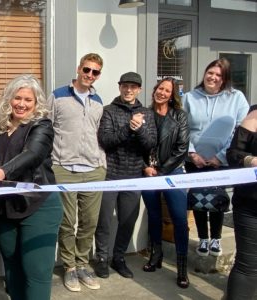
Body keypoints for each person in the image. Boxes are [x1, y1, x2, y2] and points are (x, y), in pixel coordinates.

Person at [0, 74, 62, 300]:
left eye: (28, 100)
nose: (21, 104)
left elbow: (32, 154)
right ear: (9, 99)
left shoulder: (42, 126)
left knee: (36, 273)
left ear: (36, 103)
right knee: (12, 269)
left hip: (38, 206)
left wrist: (2, 172)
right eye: (17, 98)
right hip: (3, 206)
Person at [47, 53, 106, 292]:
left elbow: (100, 133)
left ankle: (83, 263)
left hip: (93, 170)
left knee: (89, 223)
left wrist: (102, 163)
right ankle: (69, 267)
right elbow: (45, 128)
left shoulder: (98, 100)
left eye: (95, 72)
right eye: (87, 70)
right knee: (67, 223)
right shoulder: (58, 96)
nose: (90, 75)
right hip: (64, 169)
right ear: (79, 68)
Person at [182, 58, 249, 257]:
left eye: (218, 75)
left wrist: (220, 156)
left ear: (224, 79)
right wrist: (192, 152)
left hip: (222, 160)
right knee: (199, 198)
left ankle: (216, 238)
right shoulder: (189, 97)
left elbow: (241, 130)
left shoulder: (236, 98)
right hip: (195, 160)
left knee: (218, 198)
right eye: (210, 72)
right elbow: (182, 128)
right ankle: (203, 237)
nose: (213, 77)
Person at [94, 72, 157, 279]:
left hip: (133, 176)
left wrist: (138, 131)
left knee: (127, 221)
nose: (129, 90)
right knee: (103, 221)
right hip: (110, 174)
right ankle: (102, 258)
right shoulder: (109, 111)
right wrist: (129, 128)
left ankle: (118, 258)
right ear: (119, 87)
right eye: (125, 86)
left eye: (133, 87)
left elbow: (150, 144)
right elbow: (105, 140)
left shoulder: (146, 113)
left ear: (139, 89)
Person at [141, 78, 190, 288]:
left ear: (172, 95)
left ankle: (181, 268)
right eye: (160, 88)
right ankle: (155, 255)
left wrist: (162, 170)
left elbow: (182, 149)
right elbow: (137, 145)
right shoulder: (144, 114)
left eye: (167, 90)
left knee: (179, 219)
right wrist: (145, 166)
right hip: (149, 173)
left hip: (173, 172)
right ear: (154, 90)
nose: (162, 92)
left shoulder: (180, 116)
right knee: (153, 216)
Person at [225, 108, 257, 299]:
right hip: (250, 204)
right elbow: (233, 154)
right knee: (248, 265)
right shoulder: (253, 118)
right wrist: (250, 160)